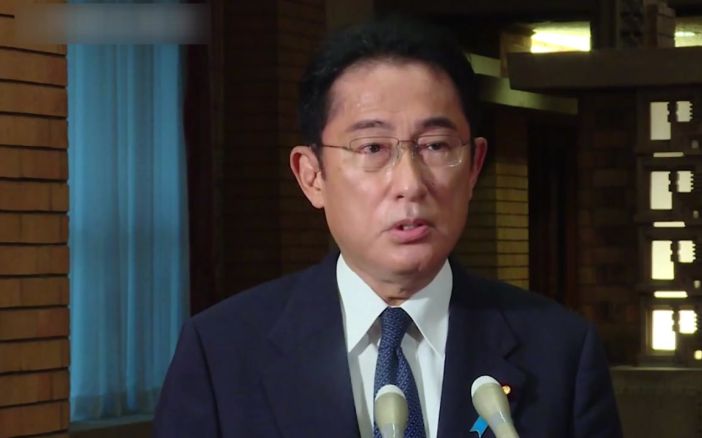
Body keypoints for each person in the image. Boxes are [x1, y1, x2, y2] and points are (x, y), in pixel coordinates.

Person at [154, 17, 623, 438]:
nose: (410, 184)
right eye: (373, 148)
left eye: (436, 146)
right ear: (312, 176)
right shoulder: (221, 353)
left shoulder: (561, 352)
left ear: (474, 167)